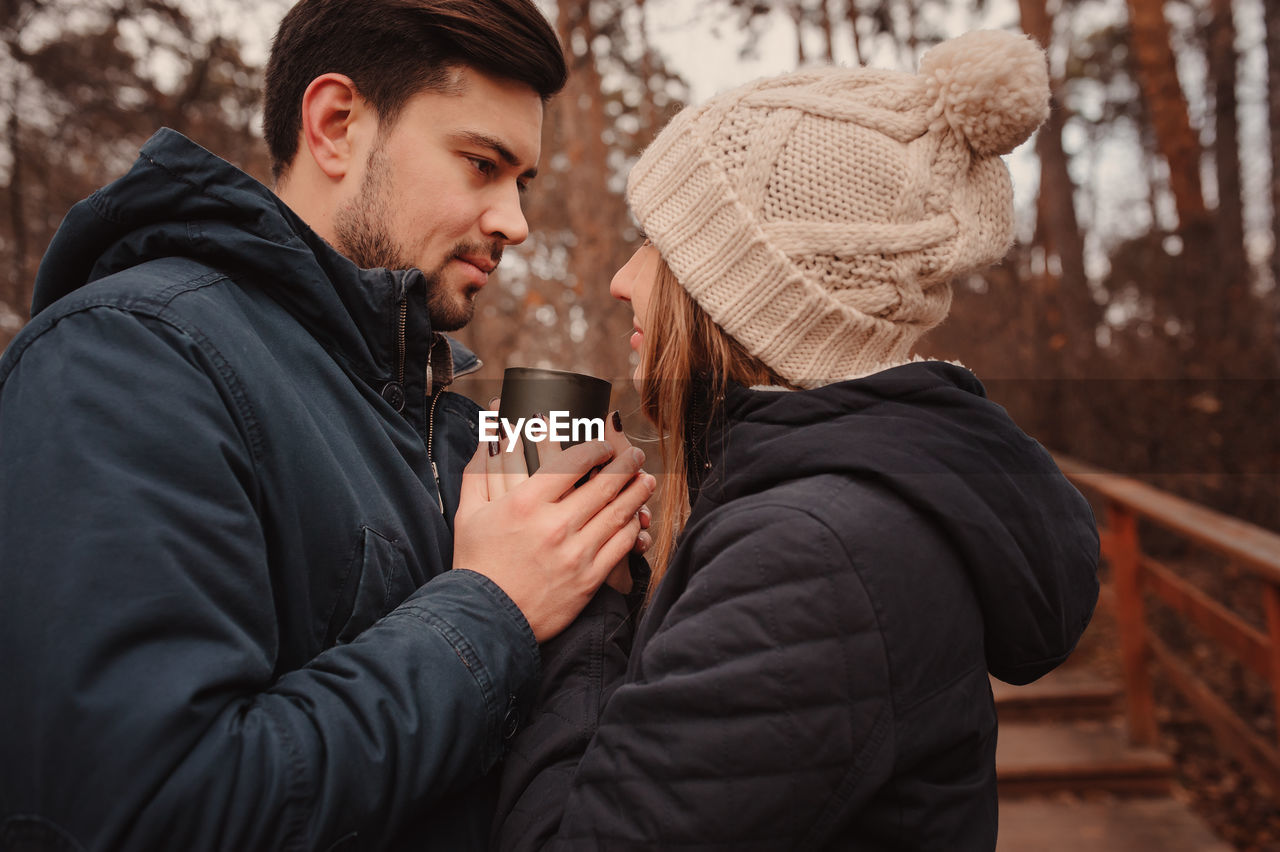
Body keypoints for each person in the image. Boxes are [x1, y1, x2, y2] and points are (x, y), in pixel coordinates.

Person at [0, 0, 655, 849]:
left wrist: (599, 576)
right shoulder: (127, 359)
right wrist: (494, 606)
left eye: (521, 184)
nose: (515, 224)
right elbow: (139, 813)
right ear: (337, 124)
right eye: (481, 164)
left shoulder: (449, 429)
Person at [492, 30, 1101, 850]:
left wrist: (573, 597)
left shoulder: (812, 561)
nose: (620, 280)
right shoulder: (833, 519)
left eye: (657, 246)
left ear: (741, 295)